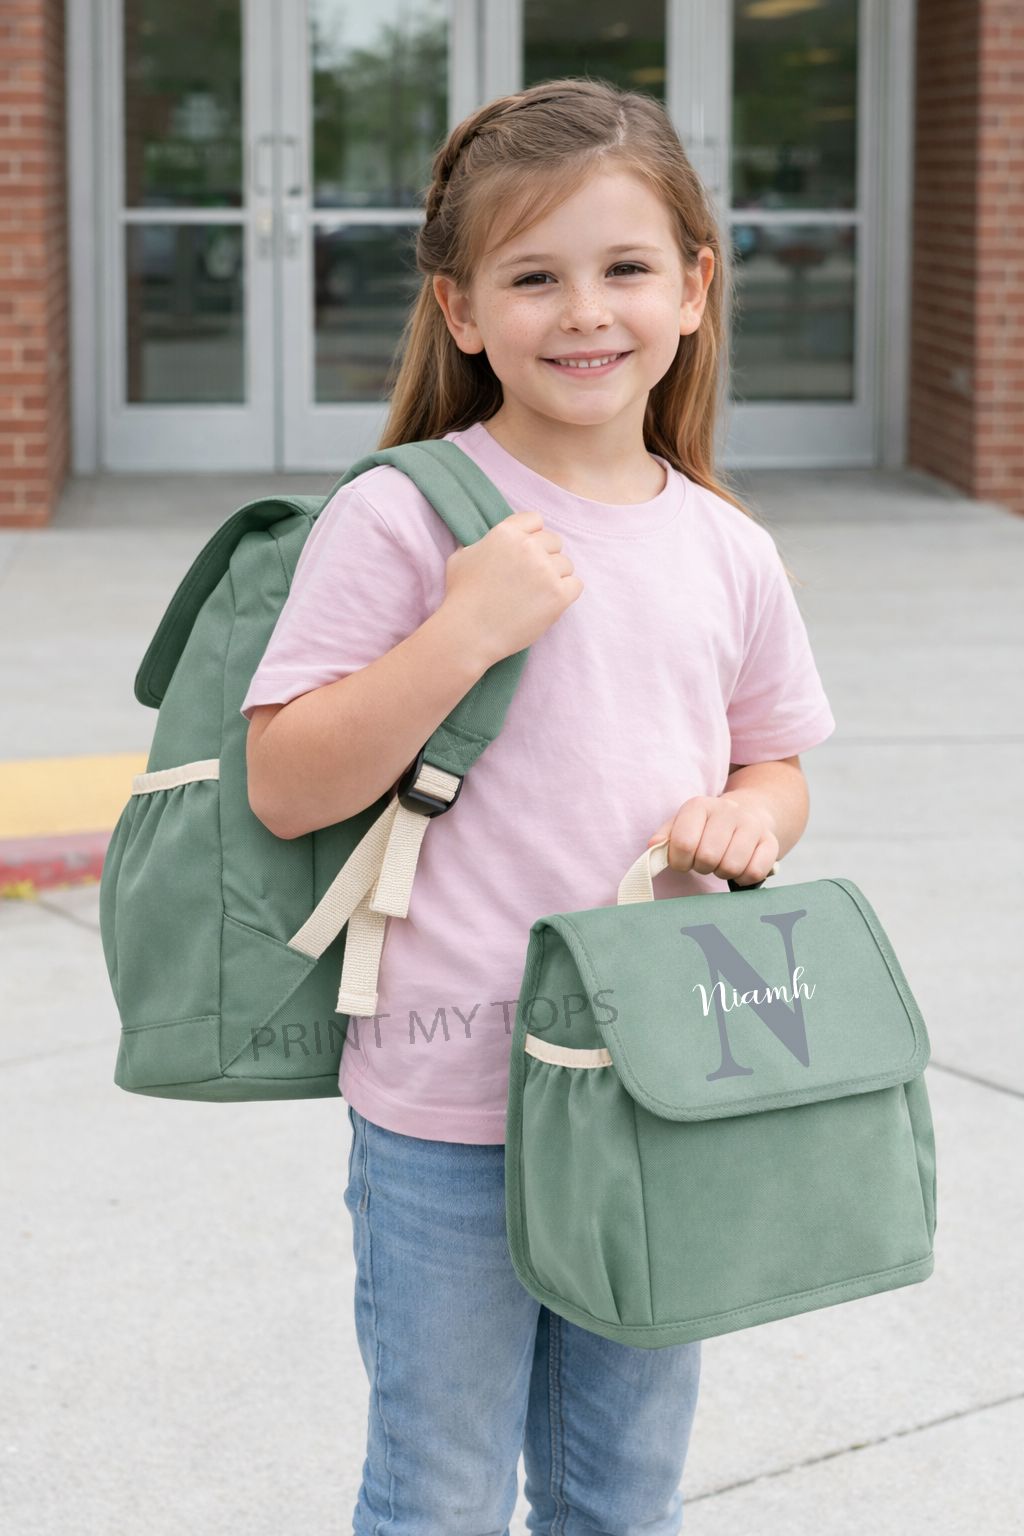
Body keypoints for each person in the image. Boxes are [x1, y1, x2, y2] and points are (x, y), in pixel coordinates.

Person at [241, 76, 835, 1536]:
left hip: (655, 1088)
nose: (585, 312)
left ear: (694, 289)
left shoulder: (727, 546)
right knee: (438, 1493)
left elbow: (775, 760)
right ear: (460, 310)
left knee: (624, 1491)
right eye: (533, 277)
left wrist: (755, 821)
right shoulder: (403, 512)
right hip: (451, 1102)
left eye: (625, 267)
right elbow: (286, 781)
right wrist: (464, 630)